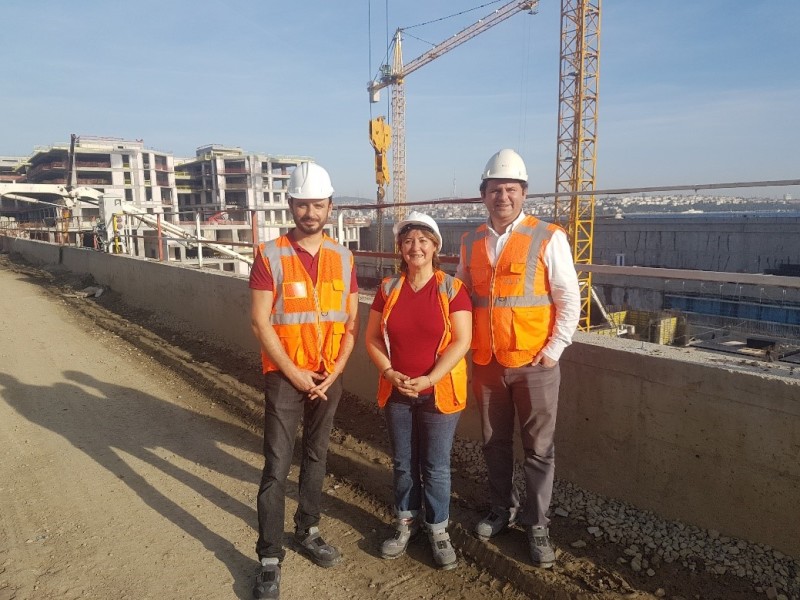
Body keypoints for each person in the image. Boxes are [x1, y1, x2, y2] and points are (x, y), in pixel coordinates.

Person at [456, 149, 580, 569]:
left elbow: (568, 298)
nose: (503, 197)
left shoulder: (548, 236)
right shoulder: (471, 241)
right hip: (487, 363)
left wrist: (553, 352)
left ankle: (537, 523)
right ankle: (501, 509)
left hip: (534, 364)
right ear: (483, 195)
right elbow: (460, 296)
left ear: (524, 193)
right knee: (494, 443)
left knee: (539, 448)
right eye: (495, 190)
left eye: (511, 189)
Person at [249, 162, 360, 599]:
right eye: (302, 204)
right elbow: (260, 322)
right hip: (285, 377)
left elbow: (350, 323)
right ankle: (269, 556)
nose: (309, 212)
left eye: (317, 205)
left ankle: (307, 530)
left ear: (330, 207)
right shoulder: (270, 255)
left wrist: (335, 371)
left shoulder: (344, 257)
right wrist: (295, 373)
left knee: (316, 456)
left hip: (327, 376)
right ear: (290, 206)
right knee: (276, 466)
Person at [365, 211, 472, 570]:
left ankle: (438, 529)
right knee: (403, 463)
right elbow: (372, 337)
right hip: (397, 390)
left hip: (439, 392)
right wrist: (389, 372)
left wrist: (431, 378)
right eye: (408, 241)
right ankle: (406, 522)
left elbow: (461, 341)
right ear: (400, 248)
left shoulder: (452, 289)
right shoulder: (388, 289)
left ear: (435, 246)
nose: (416, 247)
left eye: (423, 240)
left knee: (436, 466)